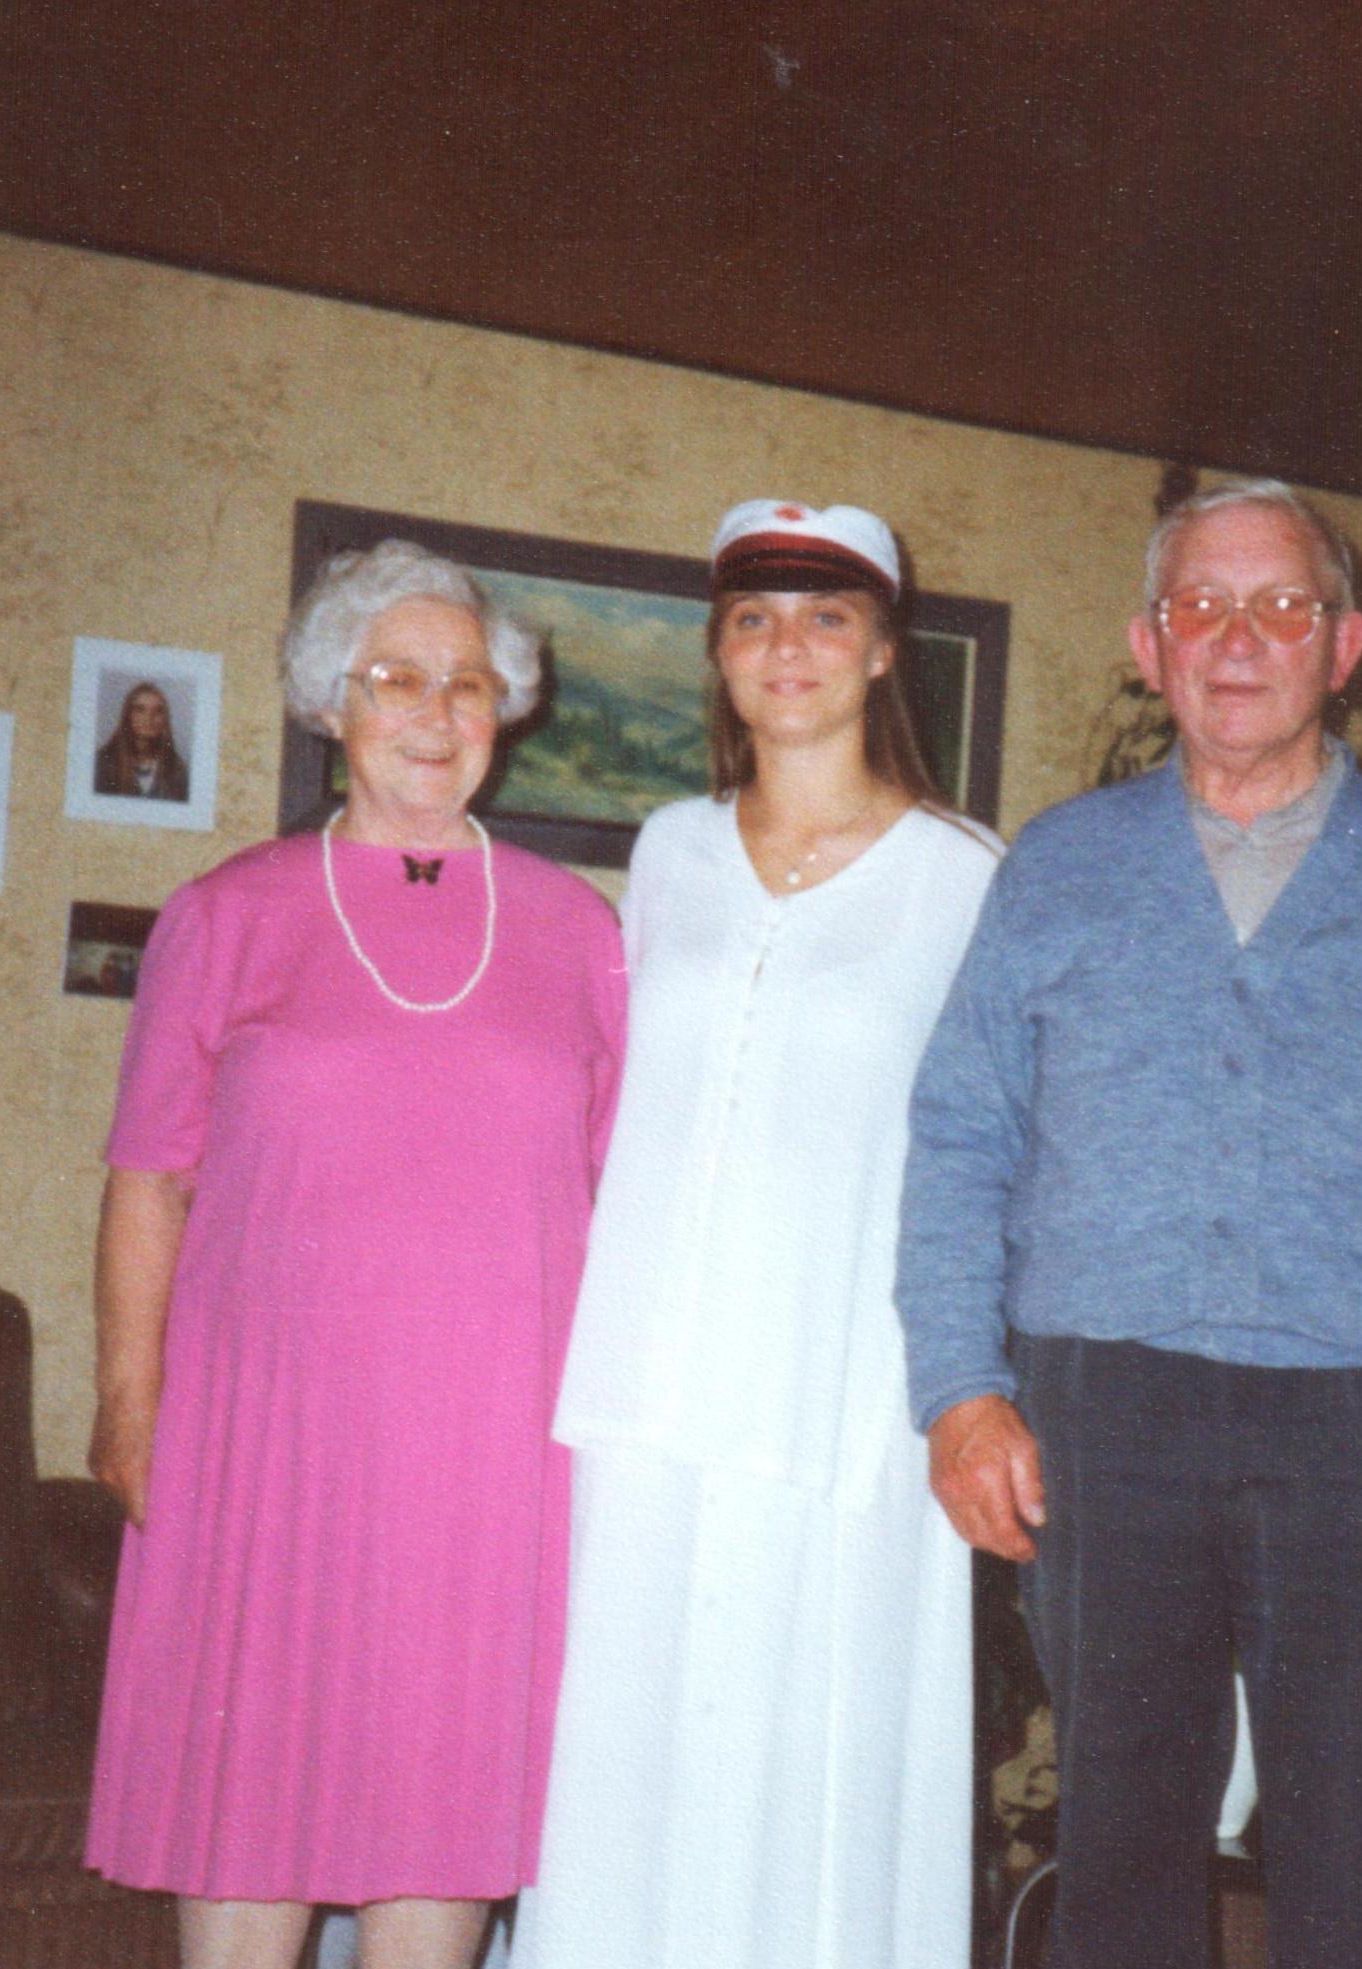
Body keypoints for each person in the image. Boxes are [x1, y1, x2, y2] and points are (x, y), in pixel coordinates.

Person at [898, 479, 1362, 1969]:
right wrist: (961, 1392)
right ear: (1147, 647)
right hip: (1104, 1409)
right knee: (1119, 1862)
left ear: (1343, 645)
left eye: (1281, 605)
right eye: (1200, 607)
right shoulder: (1056, 867)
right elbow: (960, 1141)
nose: (1238, 639)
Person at [83, 540, 625, 1969]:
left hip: (494, 1456)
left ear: (505, 711)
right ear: (331, 701)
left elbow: (620, 1200)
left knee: (441, 1823)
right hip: (266, 1442)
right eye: (397, 677)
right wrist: (130, 1406)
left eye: (469, 683)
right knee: (247, 1799)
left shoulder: (581, 932)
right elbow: (149, 1179)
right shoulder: (228, 912)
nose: (437, 712)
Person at [515, 501, 997, 1969]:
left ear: (884, 651)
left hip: (841, 1394)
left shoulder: (966, 874)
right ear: (719, 655)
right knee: (629, 1760)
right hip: (647, 1390)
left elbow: (991, 1153)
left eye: (827, 616)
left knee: (816, 1767)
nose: (789, 646)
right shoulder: (667, 850)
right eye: (753, 619)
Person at [94, 679, 191, 801]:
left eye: (158, 711)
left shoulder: (179, 770)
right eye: (140, 710)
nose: (149, 718)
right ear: (127, 716)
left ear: (165, 720)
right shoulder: (101, 763)